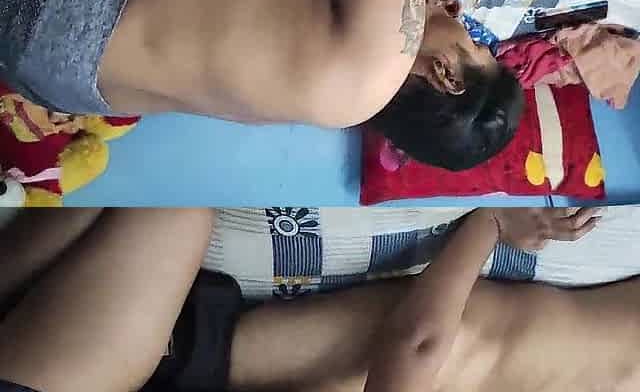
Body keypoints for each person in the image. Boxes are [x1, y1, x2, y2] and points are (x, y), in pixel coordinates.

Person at [5, 0, 637, 170]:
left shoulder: (378, 56)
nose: (460, 14)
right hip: (64, 78)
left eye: (475, 44)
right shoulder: (344, 96)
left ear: (447, 76)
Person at [4, 206, 638, 392]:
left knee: (167, 203)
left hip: (197, 354)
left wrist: (488, 225)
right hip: (204, 343)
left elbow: (417, 344)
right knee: (154, 205)